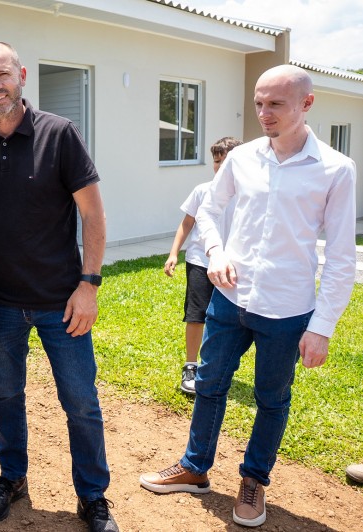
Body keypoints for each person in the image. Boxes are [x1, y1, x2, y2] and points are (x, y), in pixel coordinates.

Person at [140, 65, 357, 528]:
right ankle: (195, 468)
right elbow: (210, 209)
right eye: (259, 103)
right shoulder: (243, 158)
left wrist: (321, 328)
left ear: (307, 104)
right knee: (209, 384)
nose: (264, 113)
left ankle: (253, 481)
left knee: (272, 399)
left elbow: (341, 257)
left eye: (275, 104)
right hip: (229, 299)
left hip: (287, 308)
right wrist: (215, 251)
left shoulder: (336, 169)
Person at [0, 41, 118, 532]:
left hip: (61, 302)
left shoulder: (60, 133)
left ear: (22, 75)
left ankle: (92, 495)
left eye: (2, 74)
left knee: (80, 402)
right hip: (3, 306)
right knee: (6, 397)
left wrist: (89, 284)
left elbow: (93, 214)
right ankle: (13, 477)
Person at [164, 137, 243, 395]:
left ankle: (217, 365)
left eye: (225, 161)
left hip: (230, 265)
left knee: (226, 318)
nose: (219, 166)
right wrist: (174, 253)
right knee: (196, 314)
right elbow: (187, 223)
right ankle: (191, 365)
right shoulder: (202, 191)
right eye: (216, 161)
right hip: (199, 260)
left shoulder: (247, 196)